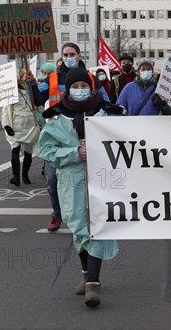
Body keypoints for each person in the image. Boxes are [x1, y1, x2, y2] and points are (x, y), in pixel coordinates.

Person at [38, 68, 122, 307]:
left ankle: (93, 283)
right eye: (76, 86)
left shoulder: (107, 114)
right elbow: (46, 150)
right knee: (78, 227)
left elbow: (125, 141)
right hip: (71, 181)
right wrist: (75, 152)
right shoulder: (56, 118)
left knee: (100, 226)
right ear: (68, 89)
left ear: (91, 87)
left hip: (104, 178)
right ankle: (86, 274)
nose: (80, 90)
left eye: (85, 86)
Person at [26, 42, 108, 232]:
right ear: (61, 57)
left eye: (72, 54)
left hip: (86, 135)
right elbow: (38, 99)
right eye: (65, 54)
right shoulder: (52, 78)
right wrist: (31, 83)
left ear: (79, 56)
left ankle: (89, 214)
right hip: (58, 134)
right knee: (52, 179)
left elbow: (105, 101)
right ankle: (57, 213)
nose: (68, 57)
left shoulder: (92, 78)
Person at [1, 70, 40, 185]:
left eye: (27, 75)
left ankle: (25, 175)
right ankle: (16, 177)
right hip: (16, 126)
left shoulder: (33, 90)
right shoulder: (13, 91)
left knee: (28, 152)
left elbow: (39, 106)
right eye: (23, 75)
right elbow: (6, 109)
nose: (25, 77)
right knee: (15, 150)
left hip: (29, 126)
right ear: (20, 77)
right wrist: (6, 125)